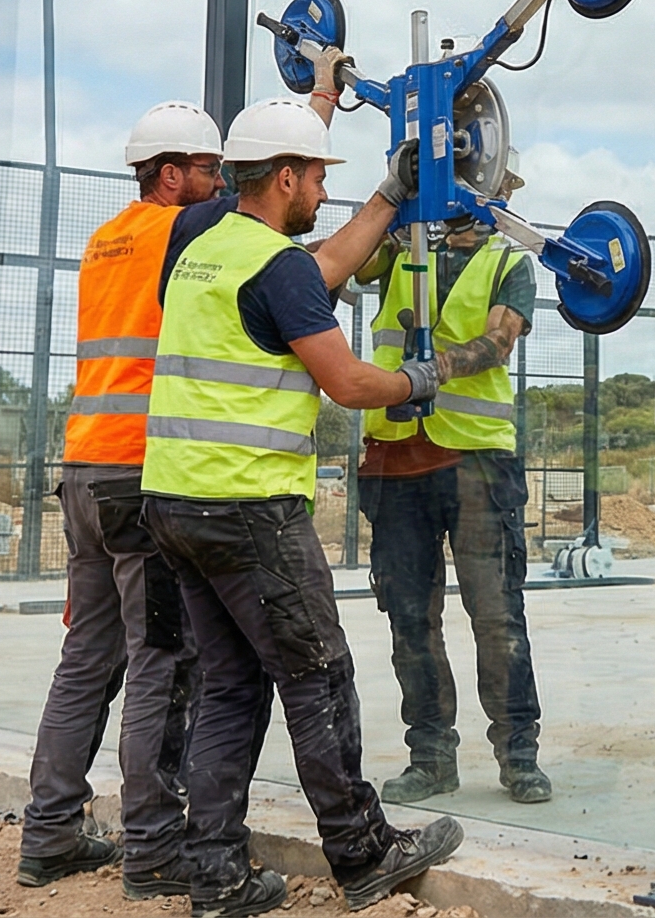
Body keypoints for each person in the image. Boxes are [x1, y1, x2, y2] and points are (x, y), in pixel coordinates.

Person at [145, 92, 465, 916]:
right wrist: (418, 380)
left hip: (174, 502)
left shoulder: (199, 244)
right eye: (318, 177)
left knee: (230, 686)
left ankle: (216, 874)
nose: (323, 192)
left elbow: (317, 268)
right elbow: (348, 383)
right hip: (250, 507)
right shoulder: (277, 267)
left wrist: (389, 197)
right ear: (285, 178)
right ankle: (363, 851)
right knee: (318, 676)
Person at [16, 103, 224, 896]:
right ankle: (155, 850)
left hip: (84, 469)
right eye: (207, 169)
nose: (218, 183)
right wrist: (313, 111)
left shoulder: (104, 239)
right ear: (170, 175)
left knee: (86, 659)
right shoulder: (181, 229)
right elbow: (263, 205)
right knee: (161, 661)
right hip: (139, 478)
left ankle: (50, 833)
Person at [357, 168, 551, 805]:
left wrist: (429, 370)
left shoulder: (508, 263)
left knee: (496, 616)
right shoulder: (399, 249)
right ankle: (431, 757)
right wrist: (393, 201)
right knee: (410, 619)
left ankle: (518, 755)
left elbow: (498, 342)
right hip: (395, 456)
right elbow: (346, 266)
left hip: (477, 461)